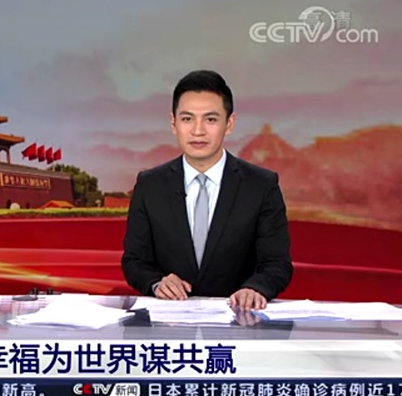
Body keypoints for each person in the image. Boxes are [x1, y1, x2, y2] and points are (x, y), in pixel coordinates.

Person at [121, 70, 292, 310]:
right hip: (169, 321)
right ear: (173, 124)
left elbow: (277, 263)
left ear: (229, 124)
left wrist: (255, 288)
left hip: (240, 320)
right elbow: (134, 261)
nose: (198, 131)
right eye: (187, 119)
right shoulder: (150, 185)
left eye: (210, 120)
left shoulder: (261, 185)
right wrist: (156, 282)